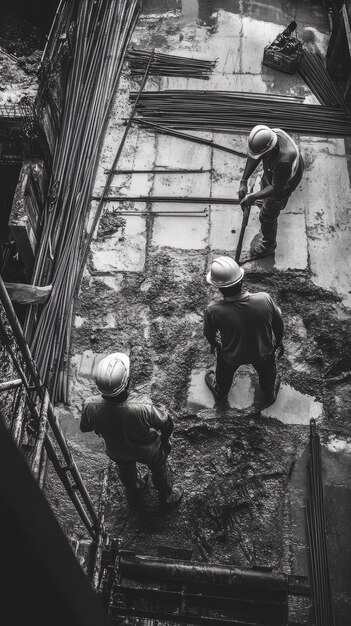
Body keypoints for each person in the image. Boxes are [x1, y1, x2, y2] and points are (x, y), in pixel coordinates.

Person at [80, 352, 183, 510]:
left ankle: (135, 487)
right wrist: (165, 441)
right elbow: (167, 424)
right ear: (126, 381)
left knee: (125, 470)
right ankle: (166, 495)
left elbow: (85, 427)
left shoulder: (89, 405)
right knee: (160, 470)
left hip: (117, 450)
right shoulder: (143, 408)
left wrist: (103, 427)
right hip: (148, 451)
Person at [204, 256, 284, 405]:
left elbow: (209, 333)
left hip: (231, 356)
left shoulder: (213, 310)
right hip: (262, 353)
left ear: (219, 287)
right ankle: (269, 394)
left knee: (223, 374)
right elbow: (278, 324)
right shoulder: (265, 299)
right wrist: (278, 342)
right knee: (268, 374)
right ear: (241, 280)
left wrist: (214, 344)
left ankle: (221, 392)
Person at [238, 124, 304, 260]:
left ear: (271, 149)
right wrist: (243, 180)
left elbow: (276, 188)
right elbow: (255, 157)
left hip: (284, 184)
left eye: (262, 155)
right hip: (274, 173)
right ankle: (266, 205)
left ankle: (268, 246)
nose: (260, 157)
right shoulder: (270, 136)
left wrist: (252, 197)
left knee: (267, 216)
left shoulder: (284, 160)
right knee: (264, 188)